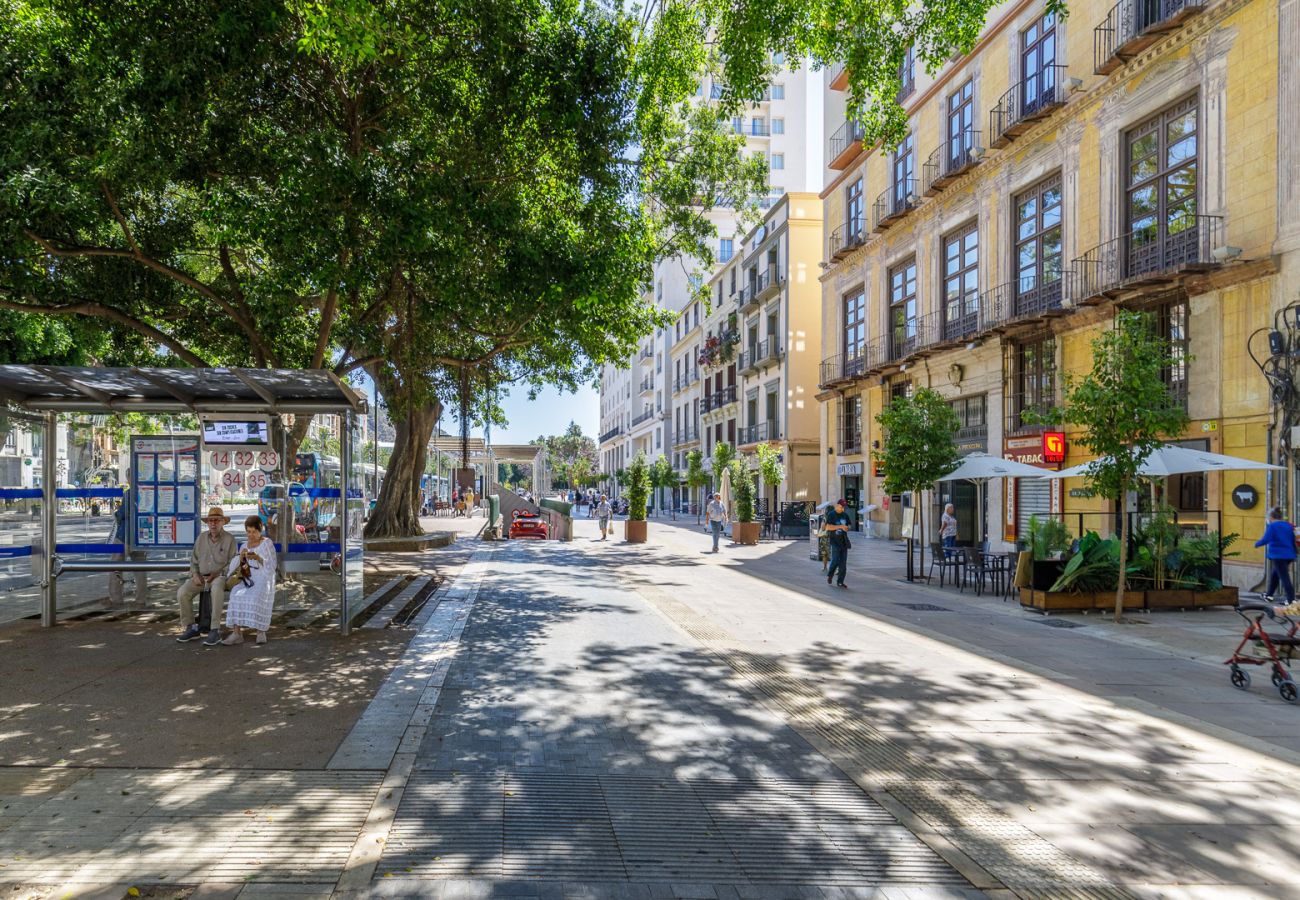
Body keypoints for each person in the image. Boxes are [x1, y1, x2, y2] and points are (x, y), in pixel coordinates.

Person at [176, 507, 240, 646]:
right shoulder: (201, 538)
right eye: (210, 520)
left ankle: (214, 629)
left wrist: (218, 573)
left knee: (217, 588)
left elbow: (234, 563)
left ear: (223, 522)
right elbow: (193, 560)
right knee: (182, 592)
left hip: (219, 577)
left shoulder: (230, 539)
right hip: (201, 577)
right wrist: (194, 574)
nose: (213, 523)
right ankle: (191, 627)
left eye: (216, 520)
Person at [221, 515, 278, 645]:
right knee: (235, 593)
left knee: (256, 595)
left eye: (254, 532)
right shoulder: (244, 546)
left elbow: (272, 566)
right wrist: (242, 557)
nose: (251, 535)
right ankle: (237, 633)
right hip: (248, 577)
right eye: (248, 532)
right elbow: (243, 569)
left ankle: (260, 631)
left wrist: (259, 558)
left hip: (264, 577)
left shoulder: (266, 543)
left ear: (260, 531)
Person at [1256, 507, 1297, 604]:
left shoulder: (1273, 526)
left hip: (1278, 555)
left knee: (1284, 577)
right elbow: (1292, 540)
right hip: (1289, 555)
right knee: (1275, 574)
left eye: (1268, 517)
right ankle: (1269, 595)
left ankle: (1291, 599)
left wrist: (1257, 544)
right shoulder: (1288, 525)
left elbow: (1266, 539)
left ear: (1271, 517)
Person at [823, 499, 852, 589]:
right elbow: (828, 527)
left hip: (844, 541)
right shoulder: (831, 514)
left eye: (844, 507)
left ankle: (840, 582)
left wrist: (847, 528)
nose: (842, 508)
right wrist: (840, 526)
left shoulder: (845, 515)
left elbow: (849, 525)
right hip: (835, 541)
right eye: (841, 506)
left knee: (843, 564)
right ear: (837, 505)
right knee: (835, 560)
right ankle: (830, 575)